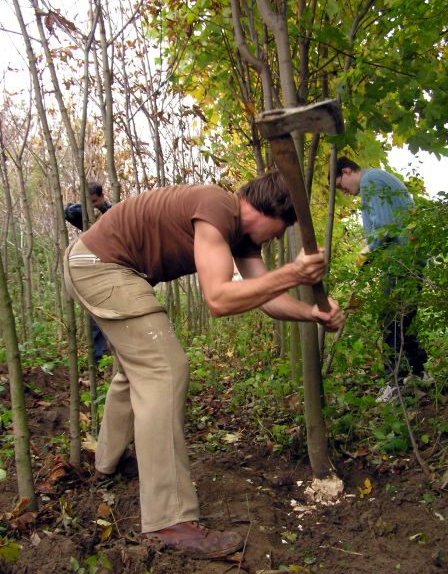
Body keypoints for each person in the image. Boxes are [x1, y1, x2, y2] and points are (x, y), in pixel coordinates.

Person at [63, 171, 344, 559]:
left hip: (102, 266)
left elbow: (267, 297)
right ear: (273, 209)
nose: (280, 237)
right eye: (284, 226)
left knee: (136, 368)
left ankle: (107, 463)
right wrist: (293, 272)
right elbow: (218, 299)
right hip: (99, 266)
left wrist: (312, 313)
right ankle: (168, 521)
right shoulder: (217, 206)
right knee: (164, 369)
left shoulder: (242, 238)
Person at [335, 156, 428, 402]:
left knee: (389, 321)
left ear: (347, 171)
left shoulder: (371, 181)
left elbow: (385, 227)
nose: (344, 192)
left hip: (401, 260)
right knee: (404, 319)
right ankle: (419, 373)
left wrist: (367, 252)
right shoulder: (379, 178)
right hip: (408, 257)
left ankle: (395, 383)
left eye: (341, 185)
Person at [64, 181, 112, 363]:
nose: (92, 206)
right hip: (91, 268)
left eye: (94, 201)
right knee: (95, 313)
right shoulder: (83, 215)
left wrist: (102, 210)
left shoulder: (111, 212)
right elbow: (67, 211)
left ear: (102, 196)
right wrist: (87, 209)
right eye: (87, 203)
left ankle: (113, 353)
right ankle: (98, 358)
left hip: (111, 266)